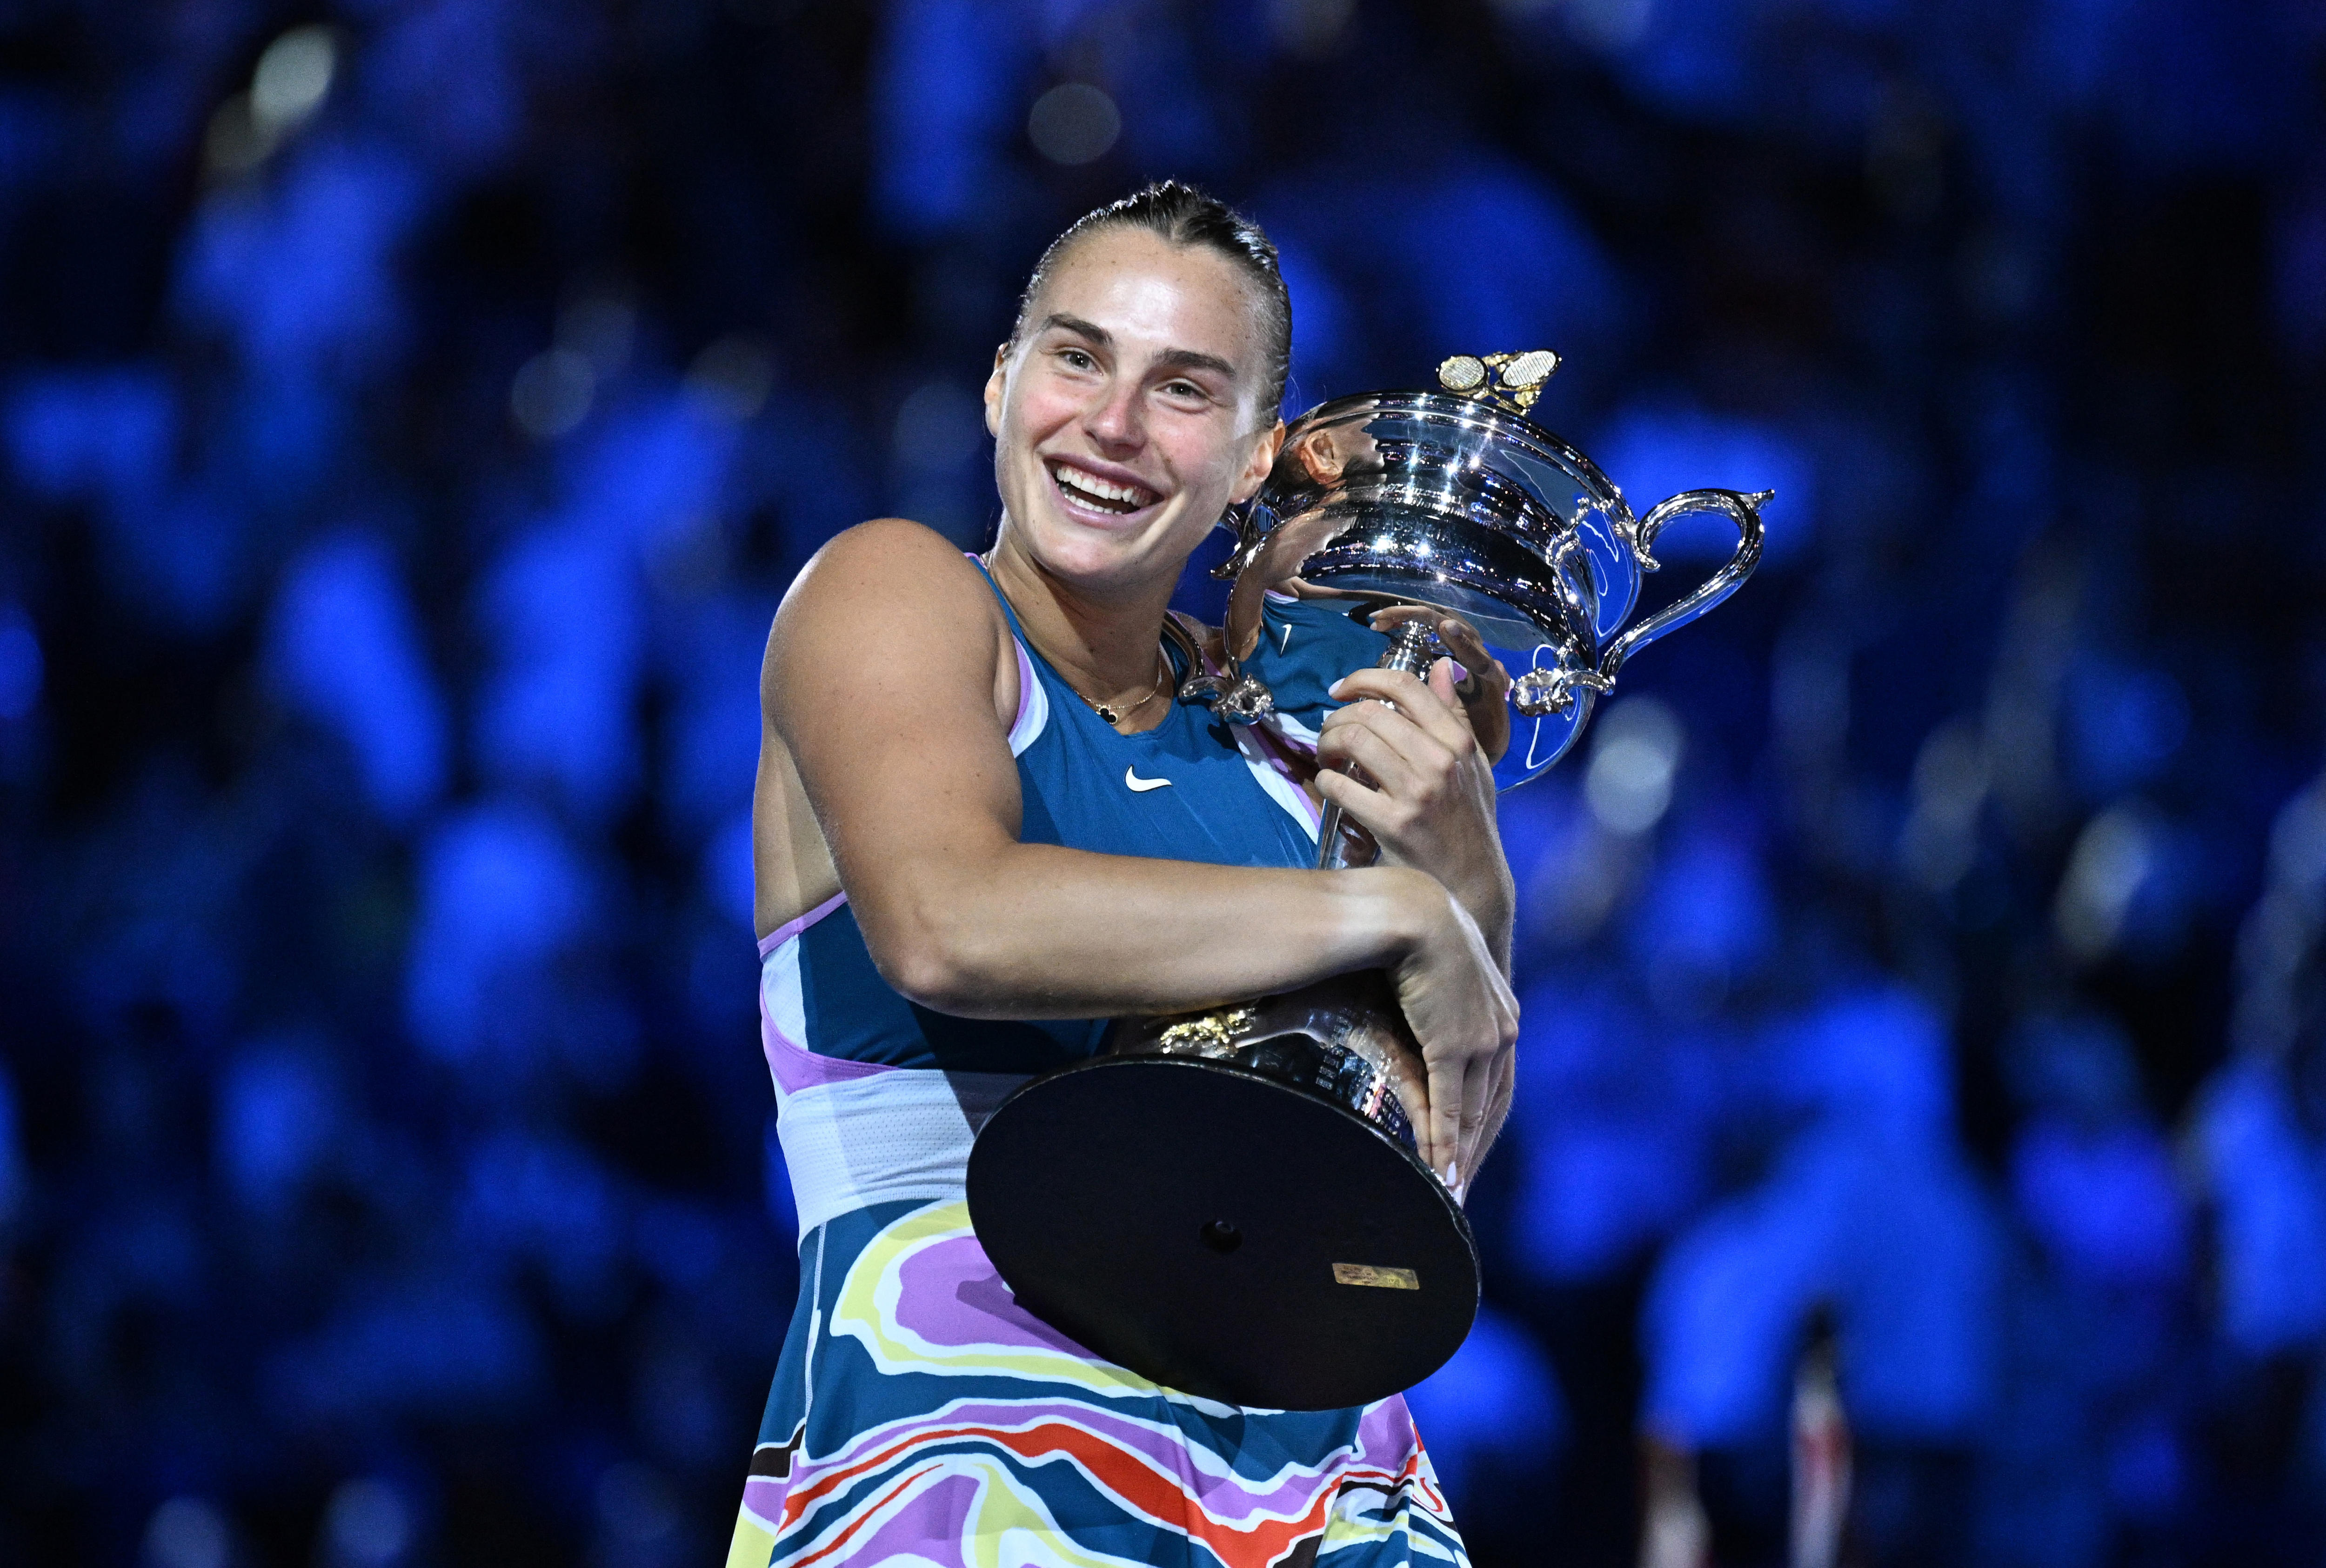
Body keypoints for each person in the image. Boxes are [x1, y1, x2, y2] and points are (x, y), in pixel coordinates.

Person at [727, 182, 1519, 1566]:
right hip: (968, 1447)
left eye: (1184, 389)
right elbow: (946, 920)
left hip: (1313, 1473)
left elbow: (1418, 1155)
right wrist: (1390, 907)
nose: (1111, 423)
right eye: (1077, 355)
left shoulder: (1290, 736)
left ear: (1257, 456)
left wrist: (1466, 878)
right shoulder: (896, 594)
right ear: (998, 383)